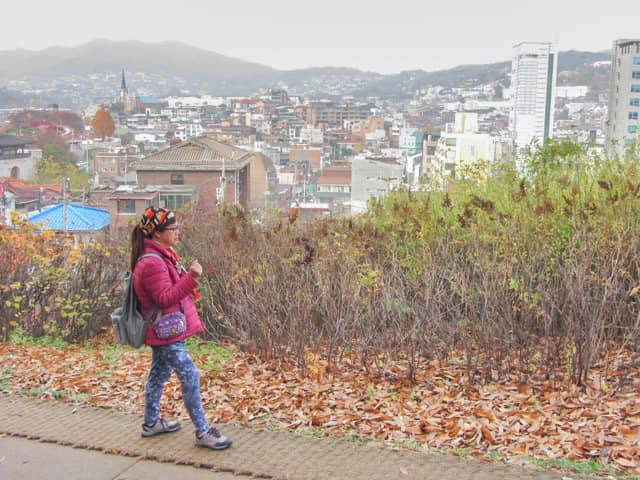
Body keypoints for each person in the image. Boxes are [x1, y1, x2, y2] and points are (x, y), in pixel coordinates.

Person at [130, 206, 232, 450]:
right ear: (157, 233)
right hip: (166, 331)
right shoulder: (153, 262)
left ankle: (151, 422)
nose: (178, 232)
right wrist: (192, 277)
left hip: (165, 328)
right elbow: (164, 298)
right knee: (190, 375)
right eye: (173, 228)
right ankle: (203, 431)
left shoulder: (161, 255)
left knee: (159, 375)